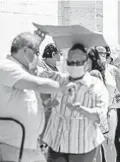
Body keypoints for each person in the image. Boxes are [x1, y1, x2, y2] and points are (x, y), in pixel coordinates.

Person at [0, 31, 74, 162]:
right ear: (24, 50)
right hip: (12, 146)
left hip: (31, 146)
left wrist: (44, 106)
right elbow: (38, 85)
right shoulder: (7, 67)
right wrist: (62, 87)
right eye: (35, 52)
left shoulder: (24, 69)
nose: (37, 57)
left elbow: (47, 77)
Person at [40, 43, 109, 162]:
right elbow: (34, 74)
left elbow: (99, 115)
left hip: (82, 148)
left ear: (86, 63)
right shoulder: (59, 79)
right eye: (70, 62)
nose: (73, 66)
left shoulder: (96, 86)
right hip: (57, 145)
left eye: (78, 63)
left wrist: (80, 109)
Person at [88, 45, 120, 162]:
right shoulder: (89, 70)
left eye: (104, 53)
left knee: (110, 141)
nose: (102, 55)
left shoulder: (113, 70)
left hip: (111, 109)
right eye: (99, 53)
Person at [38, 43, 62, 147]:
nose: (61, 56)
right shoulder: (41, 66)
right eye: (59, 54)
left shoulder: (54, 67)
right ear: (53, 54)